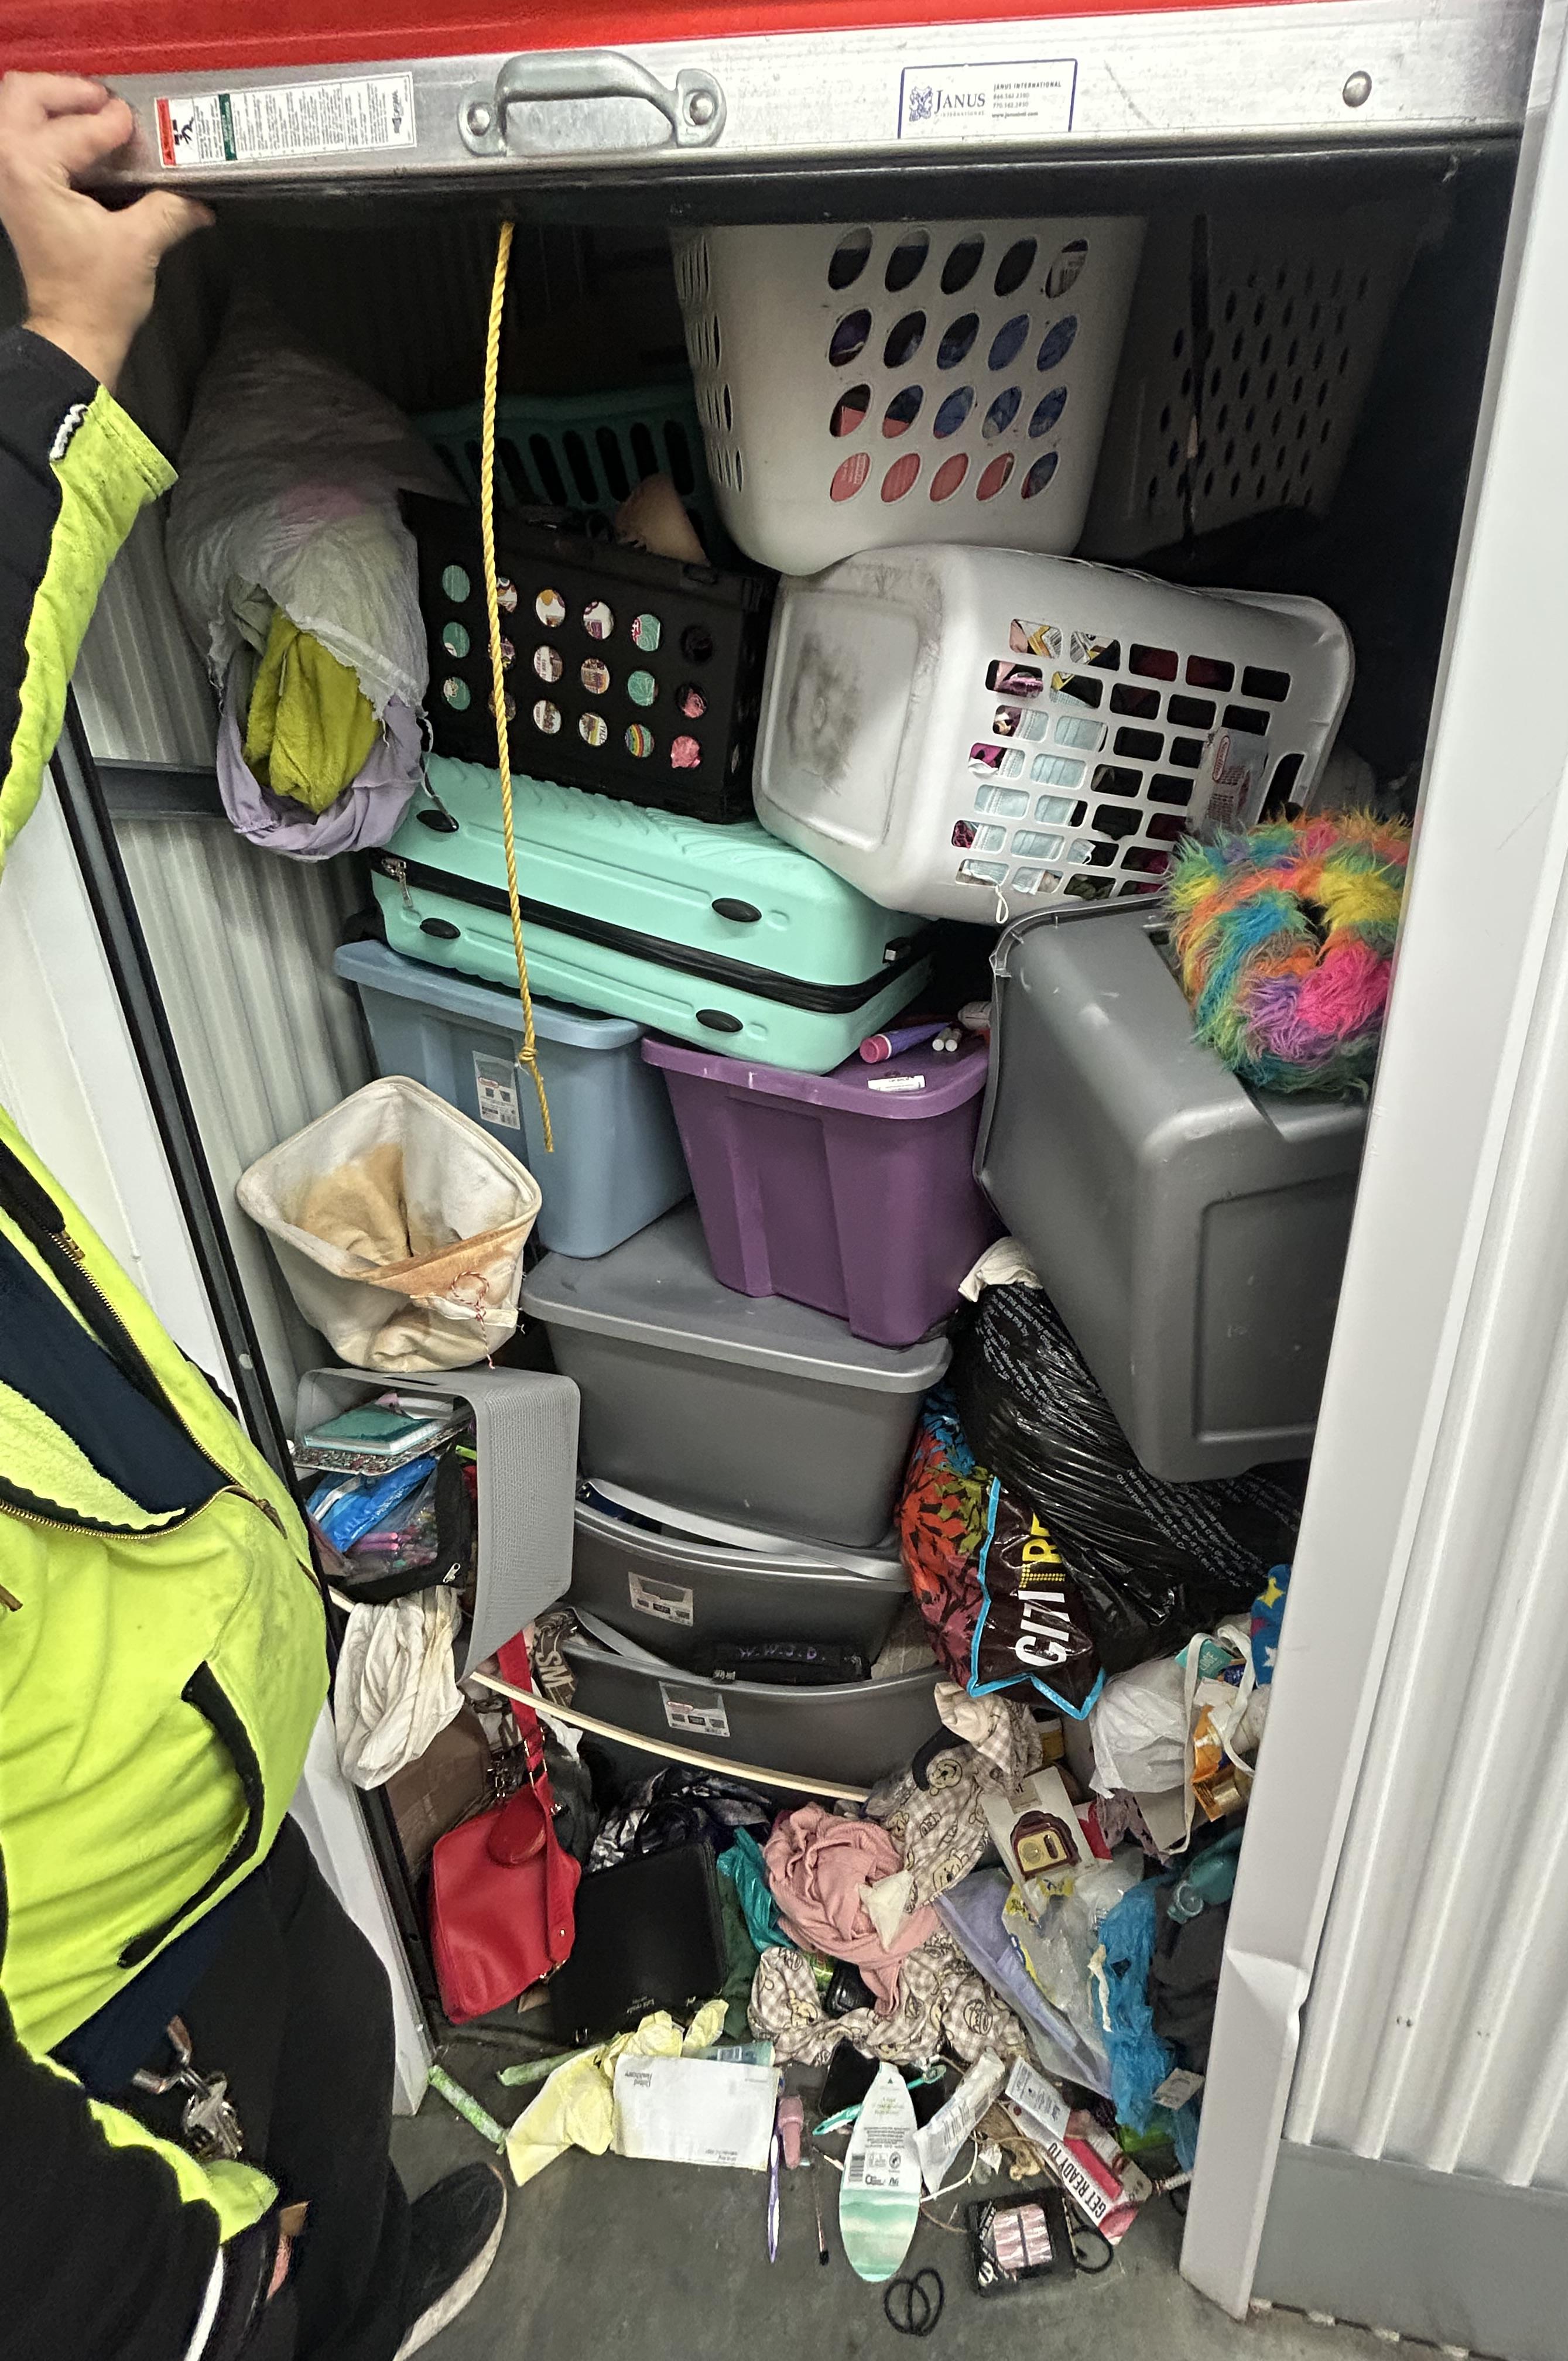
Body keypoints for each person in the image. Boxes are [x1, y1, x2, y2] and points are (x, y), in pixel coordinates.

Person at [0, 71, 506, 2361]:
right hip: (97, 1984)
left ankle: (359, 2269)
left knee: (334, 2056)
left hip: (208, 1773)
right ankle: (305, 2300)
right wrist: (197, 2306)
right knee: (261, 2224)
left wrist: (56, 365)